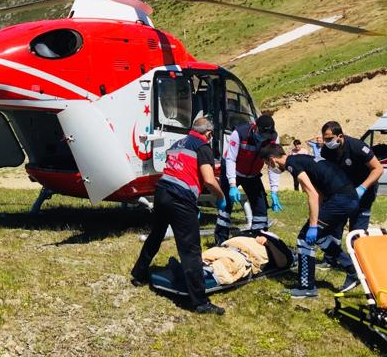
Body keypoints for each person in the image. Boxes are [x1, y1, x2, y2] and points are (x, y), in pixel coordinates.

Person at [131, 116, 228, 315]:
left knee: (156, 235)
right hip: (180, 199)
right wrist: (221, 196)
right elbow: (209, 180)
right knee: (190, 249)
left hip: (162, 192)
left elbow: (179, 169)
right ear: (208, 133)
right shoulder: (203, 147)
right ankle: (200, 302)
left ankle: (138, 274)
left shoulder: (178, 143)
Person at [261, 144, 358, 298]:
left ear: (272, 160)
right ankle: (352, 269)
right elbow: (318, 192)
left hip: (341, 199)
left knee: (304, 239)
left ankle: (307, 287)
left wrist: (313, 225)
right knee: (319, 237)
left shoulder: (292, 164)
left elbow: (312, 194)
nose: (269, 168)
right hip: (348, 197)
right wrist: (316, 221)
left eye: (267, 164)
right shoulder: (299, 159)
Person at [215, 114, 280, 244]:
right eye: (261, 133)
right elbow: (231, 159)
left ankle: (258, 241)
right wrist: (232, 185)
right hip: (234, 171)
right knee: (226, 207)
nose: (263, 138)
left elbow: (273, 164)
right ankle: (220, 241)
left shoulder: (273, 138)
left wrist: (274, 191)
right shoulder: (239, 133)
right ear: (255, 127)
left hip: (253, 175)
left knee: (261, 209)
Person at [320, 120, 383, 232]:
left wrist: (362, 188)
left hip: (364, 190)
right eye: (325, 139)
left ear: (340, 136)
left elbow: (378, 169)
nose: (327, 142)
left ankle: (356, 247)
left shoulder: (356, 146)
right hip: (343, 191)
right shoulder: (326, 151)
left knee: (357, 231)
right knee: (334, 227)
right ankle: (337, 248)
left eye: (330, 139)